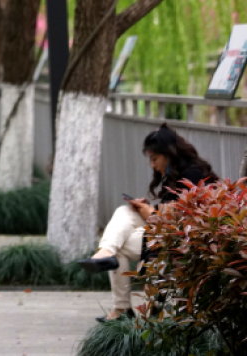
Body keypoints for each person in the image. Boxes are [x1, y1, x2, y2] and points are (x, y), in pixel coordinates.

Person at [78, 123, 218, 322]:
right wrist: (150, 207)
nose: (152, 165)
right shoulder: (177, 173)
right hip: (166, 234)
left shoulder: (193, 174)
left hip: (184, 243)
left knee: (121, 245)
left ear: (168, 154)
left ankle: (120, 307)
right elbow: (172, 208)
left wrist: (152, 212)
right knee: (124, 211)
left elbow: (182, 221)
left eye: (154, 159)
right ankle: (105, 253)